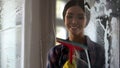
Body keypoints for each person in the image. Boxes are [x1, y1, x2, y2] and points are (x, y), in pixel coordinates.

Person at [47, 0, 105, 68]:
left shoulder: (99, 52)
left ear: (87, 20)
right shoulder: (55, 52)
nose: (74, 21)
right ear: (64, 19)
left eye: (80, 17)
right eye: (70, 16)